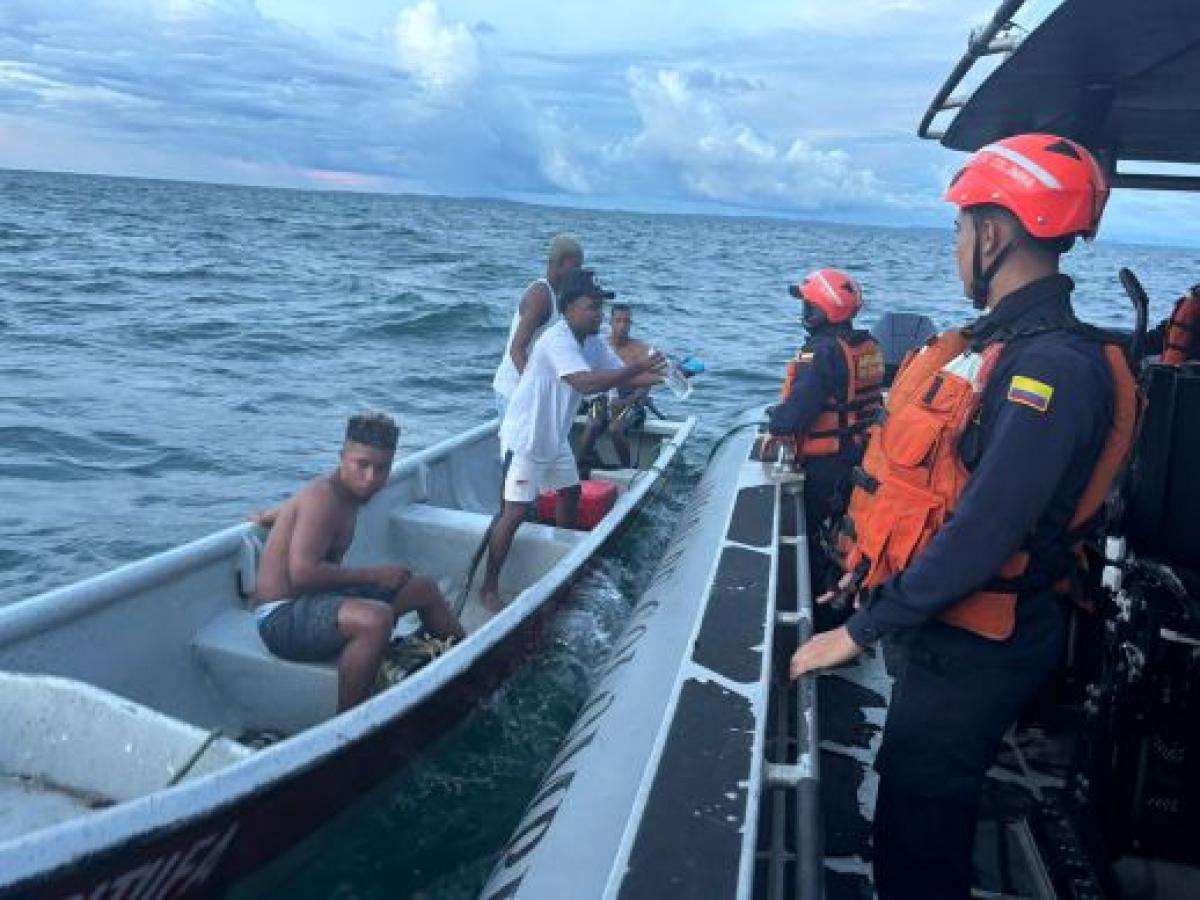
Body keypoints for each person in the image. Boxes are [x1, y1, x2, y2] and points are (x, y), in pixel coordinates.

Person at [789, 134, 1139, 899]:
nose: (956, 246)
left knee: (919, 839)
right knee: (916, 815)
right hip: (954, 633)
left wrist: (859, 632)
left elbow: (987, 528)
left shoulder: (1048, 368)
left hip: (983, 643)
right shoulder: (1005, 346)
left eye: (958, 229)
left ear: (993, 232)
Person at [252, 413, 465, 712]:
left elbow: (298, 509)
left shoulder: (342, 492)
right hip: (282, 620)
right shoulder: (323, 498)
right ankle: (351, 722)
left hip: (318, 602)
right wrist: (374, 576)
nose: (371, 478)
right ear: (342, 458)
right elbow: (302, 574)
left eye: (381, 468)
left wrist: (270, 516)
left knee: (423, 588)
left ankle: (465, 663)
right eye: (361, 465)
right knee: (375, 619)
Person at [481, 270, 665, 611]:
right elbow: (586, 383)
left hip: (554, 437)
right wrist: (634, 369)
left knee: (570, 491)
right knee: (514, 513)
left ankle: (565, 560)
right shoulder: (557, 338)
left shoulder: (592, 342)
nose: (599, 314)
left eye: (600, 307)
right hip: (526, 438)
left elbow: (626, 375)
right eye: (591, 307)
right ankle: (489, 587)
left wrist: (663, 372)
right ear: (568, 310)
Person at [766, 268, 884, 594]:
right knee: (846, 533)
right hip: (859, 460)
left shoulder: (824, 354)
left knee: (818, 538)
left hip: (825, 469)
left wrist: (777, 422)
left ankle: (818, 603)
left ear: (819, 312)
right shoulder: (866, 346)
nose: (804, 312)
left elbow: (794, 415)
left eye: (807, 306)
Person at [492, 234, 584, 419]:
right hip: (515, 391)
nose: (579, 272)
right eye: (575, 267)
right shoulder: (540, 295)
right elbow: (516, 350)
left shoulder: (561, 296)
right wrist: (533, 392)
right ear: (559, 263)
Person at [577, 302, 653, 470]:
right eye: (618, 321)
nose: (622, 326)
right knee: (593, 425)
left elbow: (647, 382)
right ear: (610, 322)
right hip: (602, 397)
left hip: (629, 399)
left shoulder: (641, 349)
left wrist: (630, 400)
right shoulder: (600, 345)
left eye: (627, 321)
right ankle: (581, 465)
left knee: (615, 428)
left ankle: (627, 470)